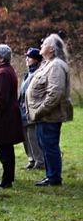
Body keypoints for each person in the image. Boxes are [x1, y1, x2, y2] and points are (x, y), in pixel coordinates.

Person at [26, 33, 73, 187]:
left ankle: (54, 178)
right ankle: (50, 175)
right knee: (45, 145)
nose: (41, 46)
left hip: (49, 115)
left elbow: (55, 93)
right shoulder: (48, 63)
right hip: (43, 116)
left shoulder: (56, 66)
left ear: (51, 49)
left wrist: (40, 110)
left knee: (50, 145)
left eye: (44, 44)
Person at [0, 45, 23, 189]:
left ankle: (6, 179)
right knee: (6, 148)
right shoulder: (6, 70)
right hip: (8, 114)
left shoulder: (3, 72)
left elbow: (1, 98)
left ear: (1, 58)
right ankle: (8, 177)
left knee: (4, 147)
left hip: (5, 117)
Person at [19, 47, 44, 171]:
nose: (27, 59)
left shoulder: (39, 73)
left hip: (32, 110)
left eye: (30, 57)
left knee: (33, 137)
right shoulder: (27, 74)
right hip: (23, 109)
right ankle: (31, 159)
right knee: (26, 137)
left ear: (37, 59)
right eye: (27, 56)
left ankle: (40, 161)